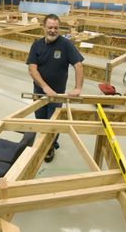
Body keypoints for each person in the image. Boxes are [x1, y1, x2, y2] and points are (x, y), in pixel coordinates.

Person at [26, 13, 84, 163]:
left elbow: (78, 65)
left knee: (54, 123)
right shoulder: (36, 45)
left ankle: (50, 146)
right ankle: (42, 141)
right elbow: (32, 69)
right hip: (39, 93)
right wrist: (45, 87)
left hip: (57, 95)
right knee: (40, 119)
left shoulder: (66, 45)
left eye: (56, 28)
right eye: (50, 27)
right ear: (44, 28)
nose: (53, 30)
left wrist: (78, 87)